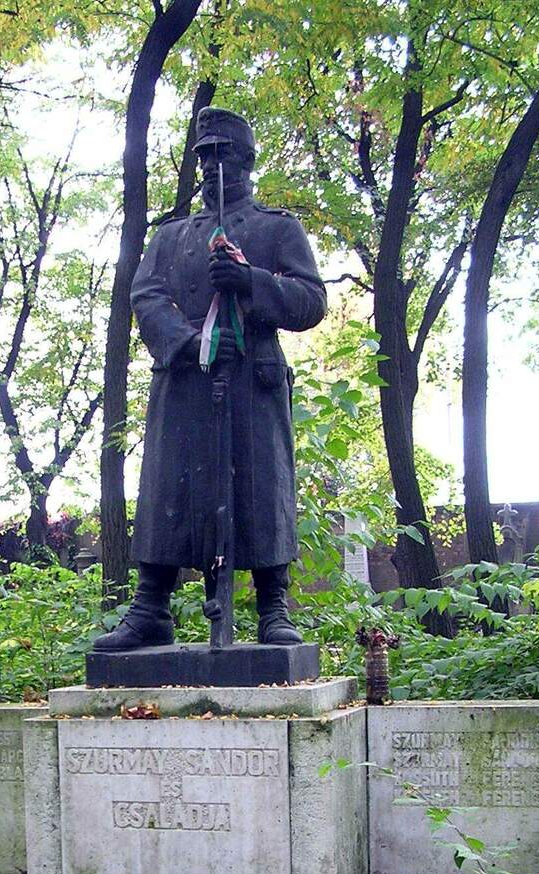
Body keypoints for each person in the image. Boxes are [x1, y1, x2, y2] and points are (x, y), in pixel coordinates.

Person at [94, 106, 327, 653]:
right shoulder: (171, 237)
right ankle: (151, 607)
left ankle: (272, 605)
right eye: (204, 156)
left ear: (246, 158)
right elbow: (146, 294)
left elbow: (311, 300)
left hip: (253, 381)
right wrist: (189, 340)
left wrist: (251, 281)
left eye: (222, 154)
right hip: (185, 381)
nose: (211, 166)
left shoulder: (277, 229)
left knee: (262, 486)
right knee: (168, 486)